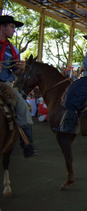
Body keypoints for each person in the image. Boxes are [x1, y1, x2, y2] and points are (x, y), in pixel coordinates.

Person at [0, 15, 38, 158]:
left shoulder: (12, 49)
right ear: (2, 27)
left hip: (4, 84)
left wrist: (21, 69)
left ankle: (27, 144)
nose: (14, 31)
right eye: (11, 27)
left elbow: (15, 71)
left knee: (22, 107)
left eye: (14, 28)